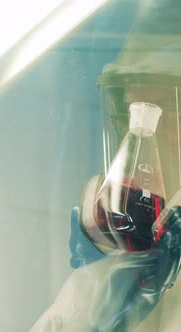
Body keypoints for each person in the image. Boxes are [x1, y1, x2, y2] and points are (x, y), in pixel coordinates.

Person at [31, 1, 181, 331]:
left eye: (163, 111)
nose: (141, 140)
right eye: (130, 115)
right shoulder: (114, 268)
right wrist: (91, 301)